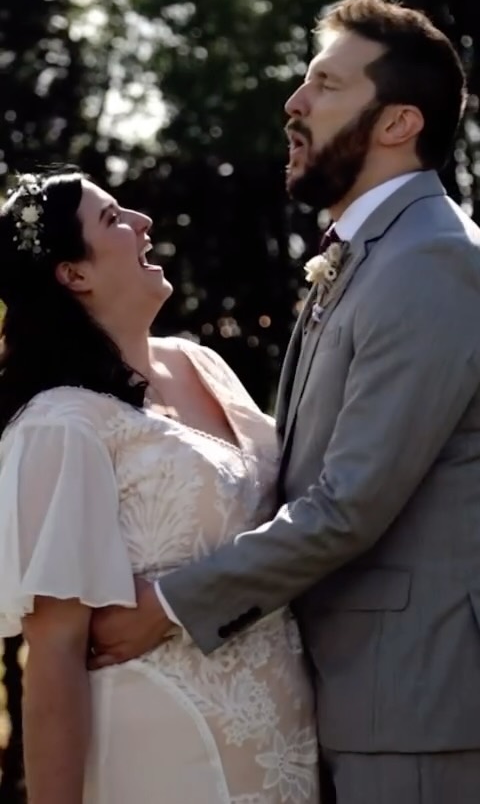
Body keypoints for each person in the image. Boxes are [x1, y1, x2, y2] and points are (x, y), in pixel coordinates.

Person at [90, 0, 480, 804]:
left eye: (326, 84)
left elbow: (349, 503)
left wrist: (168, 605)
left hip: (417, 705)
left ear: (398, 122)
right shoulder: (375, 253)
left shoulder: (431, 261)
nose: (294, 103)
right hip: (358, 697)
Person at [0, 171, 319, 804]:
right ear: (74, 273)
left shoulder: (202, 362)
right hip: (168, 753)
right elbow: (56, 653)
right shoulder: (61, 425)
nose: (142, 221)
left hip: (285, 738)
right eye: (113, 218)